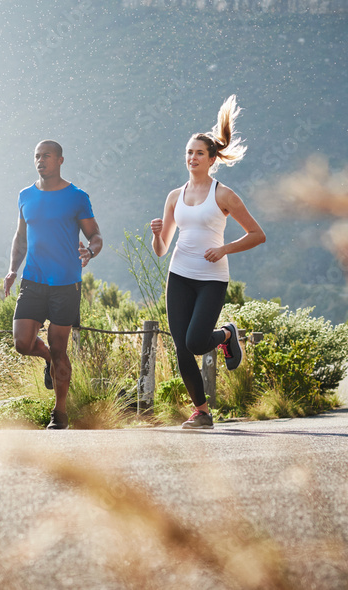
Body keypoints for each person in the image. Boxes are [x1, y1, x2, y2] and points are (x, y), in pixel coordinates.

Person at [150, 95, 266, 430]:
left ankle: (227, 335)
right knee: (182, 349)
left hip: (212, 278)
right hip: (180, 274)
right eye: (189, 152)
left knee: (197, 341)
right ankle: (201, 412)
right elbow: (161, 249)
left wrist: (225, 249)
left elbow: (257, 234)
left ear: (212, 158)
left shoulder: (224, 194)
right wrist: (156, 234)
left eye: (199, 152)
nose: (192, 157)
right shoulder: (175, 196)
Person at [4, 140, 102, 430]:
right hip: (32, 280)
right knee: (22, 343)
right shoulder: (25, 196)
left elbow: (95, 234)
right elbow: (20, 238)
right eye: (36, 156)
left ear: (60, 159)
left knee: (61, 348)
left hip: (66, 284)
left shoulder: (77, 196)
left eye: (46, 155)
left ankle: (60, 413)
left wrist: (90, 251)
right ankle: (45, 358)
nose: (40, 160)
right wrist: (12, 270)